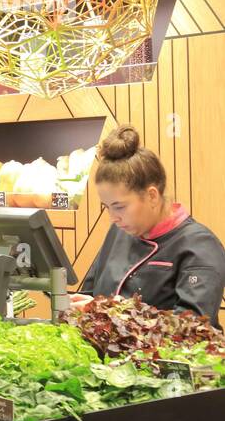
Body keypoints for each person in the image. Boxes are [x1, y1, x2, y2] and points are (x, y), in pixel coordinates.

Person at [76, 125, 225, 325]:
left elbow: (191, 328)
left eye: (119, 207)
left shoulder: (200, 246)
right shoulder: (119, 232)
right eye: (107, 207)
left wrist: (111, 313)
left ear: (152, 195)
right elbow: (90, 294)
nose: (113, 218)